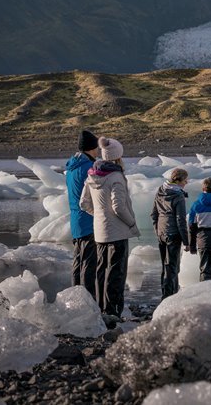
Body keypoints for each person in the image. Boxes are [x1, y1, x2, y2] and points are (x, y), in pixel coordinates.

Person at [79, 136, 140, 317]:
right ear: (117, 157)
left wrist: (99, 215)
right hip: (117, 232)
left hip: (99, 232)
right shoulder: (116, 177)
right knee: (116, 272)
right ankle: (113, 311)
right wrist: (132, 223)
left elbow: (84, 203)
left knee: (101, 270)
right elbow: (118, 207)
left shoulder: (92, 175)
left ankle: (100, 308)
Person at [65, 129, 99, 296]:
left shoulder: (71, 168)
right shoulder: (89, 167)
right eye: (96, 147)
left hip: (75, 221)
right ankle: (88, 299)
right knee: (89, 263)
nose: (98, 151)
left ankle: (74, 296)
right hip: (88, 220)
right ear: (91, 148)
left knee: (78, 262)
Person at [150, 168, 191, 298]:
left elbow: (154, 214)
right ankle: (169, 298)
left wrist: (157, 230)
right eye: (185, 180)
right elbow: (180, 220)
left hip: (161, 233)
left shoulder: (161, 190)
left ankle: (167, 294)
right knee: (172, 267)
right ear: (179, 180)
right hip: (173, 234)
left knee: (165, 266)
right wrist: (186, 241)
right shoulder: (178, 195)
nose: (186, 182)